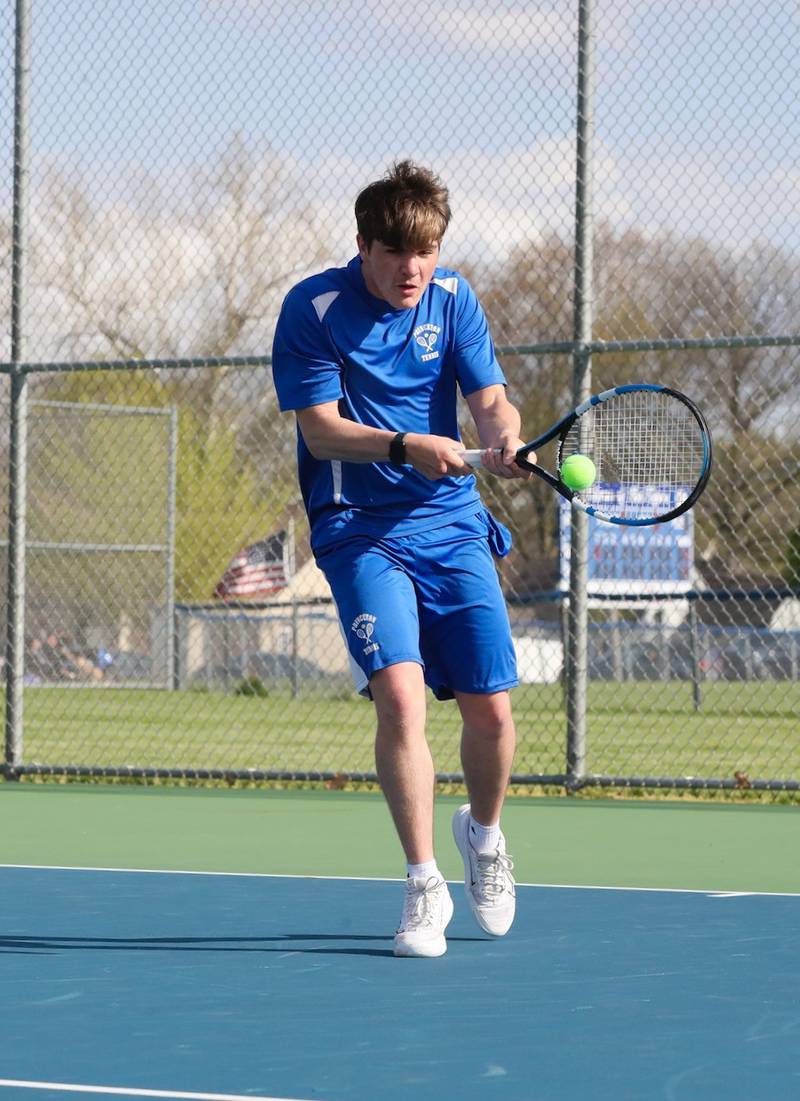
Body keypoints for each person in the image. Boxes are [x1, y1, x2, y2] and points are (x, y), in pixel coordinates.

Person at [271, 161, 532, 958]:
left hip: (451, 524)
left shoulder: (453, 299)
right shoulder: (312, 308)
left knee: (491, 709)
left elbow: (491, 398)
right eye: (396, 253)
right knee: (402, 698)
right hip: (358, 528)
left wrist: (504, 435)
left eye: (427, 251)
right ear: (363, 245)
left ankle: (482, 838)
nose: (413, 269)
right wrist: (402, 444)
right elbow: (319, 429)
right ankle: (423, 883)